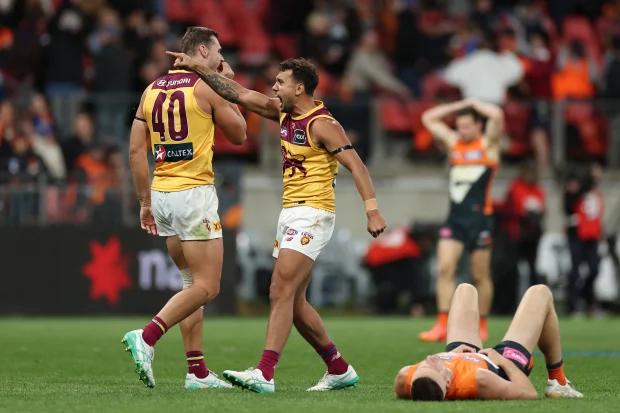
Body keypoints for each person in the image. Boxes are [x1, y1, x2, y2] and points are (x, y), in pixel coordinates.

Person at [167, 52, 387, 393]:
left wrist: (372, 209)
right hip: (291, 214)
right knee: (295, 304)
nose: (274, 86)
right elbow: (239, 94)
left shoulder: (323, 124)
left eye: (280, 82)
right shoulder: (281, 111)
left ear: (299, 88)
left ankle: (265, 373)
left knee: (279, 290)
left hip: (313, 212)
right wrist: (197, 67)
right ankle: (338, 368)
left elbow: (358, 166)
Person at [122, 27, 247, 390]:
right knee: (208, 287)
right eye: (219, 50)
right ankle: (146, 336)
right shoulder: (206, 86)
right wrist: (228, 87)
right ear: (203, 52)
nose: (223, 57)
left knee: (190, 283)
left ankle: (197, 371)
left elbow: (134, 152)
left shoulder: (151, 90)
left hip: (162, 193)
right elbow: (239, 135)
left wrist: (145, 201)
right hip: (193, 194)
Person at [394, 283, 583, 401]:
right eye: (435, 366)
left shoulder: (406, 377)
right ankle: (558, 382)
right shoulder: (481, 381)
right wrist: (501, 361)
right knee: (540, 293)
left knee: (464, 289)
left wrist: (451, 356)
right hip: (499, 363)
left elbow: (429, 369)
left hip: (462, 354)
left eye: (424, 364)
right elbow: (528, 393)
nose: (430, 359)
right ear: (448, 381)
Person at [418, 99, 502, 343]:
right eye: (459, 126)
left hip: (480, 219)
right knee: (444, 268)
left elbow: (496, 115)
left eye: (467, 126)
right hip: (455, 219)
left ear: (478, 126)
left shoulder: (488, 145)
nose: (462, 131)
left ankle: (482, 324)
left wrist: (475, 103)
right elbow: (428, 117)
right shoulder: (454, 143)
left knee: (480, 274)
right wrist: (459, 105)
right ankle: (442, 324)